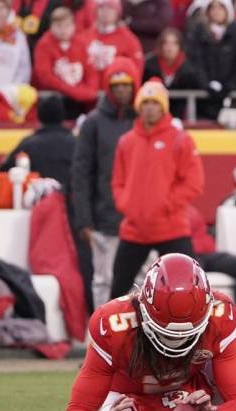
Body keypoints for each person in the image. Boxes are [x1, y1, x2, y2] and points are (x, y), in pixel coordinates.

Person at [64, 253, 236, 411]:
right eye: (166, 333)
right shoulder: (112, 325)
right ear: (143, 312)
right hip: (133, 401)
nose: (177, 341)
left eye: (188, 334)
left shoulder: (220, 314)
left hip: (193, 390)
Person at [109, 78, 204, 299]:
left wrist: (166, 205)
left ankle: (192, 332)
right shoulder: (126, 141)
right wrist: (126, 204)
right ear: (138, 106)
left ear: (163, 107)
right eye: (145, 103)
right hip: (134, 228)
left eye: (155, 103)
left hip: (171, 227)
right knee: (119, 292)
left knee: (188, 288)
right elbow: (117, 181)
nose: (149, 108)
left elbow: (193, 182)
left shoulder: (180, 139)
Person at [72, 57, 141, 309]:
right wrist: (84, 220)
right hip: (104, 219)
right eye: (116, 85)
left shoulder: (144, 120)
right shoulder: (93, 123)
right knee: (104, 282)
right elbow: (81, 174)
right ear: (108, 87)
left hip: (140, 220)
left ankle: (142, 341)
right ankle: (101, 340)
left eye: (126, 84)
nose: (122, 90)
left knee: (144, 283)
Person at [185, 0, 236, 120]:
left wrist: (229, 85)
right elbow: (195, 62)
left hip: (234, 98)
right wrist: (206, 84)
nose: (216, 12)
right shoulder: (199, 32)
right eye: (212, 8)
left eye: (220, 7)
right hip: (204, 100)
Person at [33, 7, 99, 118]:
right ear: (51, 27)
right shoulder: (43, 45)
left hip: (80, 101)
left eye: (67, 26)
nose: (63, 30)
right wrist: (74, 92)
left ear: (73, 26)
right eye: (58, 26)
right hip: (53, 100)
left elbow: (91, 71)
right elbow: (45, 77)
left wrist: (90, 91)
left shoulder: (81, 44)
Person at [187, 205, 236, 314]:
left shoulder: (190, 209)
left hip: (208, 254)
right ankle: (194, 317)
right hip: (187, 256)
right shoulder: (166, 211)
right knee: (194, 277)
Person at [0, 95, 75, 189]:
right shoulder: (77, 143)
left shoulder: (28, 144)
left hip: (37, 200)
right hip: (71, 199)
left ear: (40, 116)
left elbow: (3, 172)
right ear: (63, 115)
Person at [79, 0, 144, 87]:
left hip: (115, 91)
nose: (105, 13)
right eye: (102, 8)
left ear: (117, 13)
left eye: (110, 8)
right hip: (87, 91)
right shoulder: (84, 36)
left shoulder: (128, 39)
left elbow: (137, 69)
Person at [142, 27, 202, 118]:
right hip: (154, 116)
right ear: (160, 45)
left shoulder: (190, 68)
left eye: (174, 44)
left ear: (179, 46)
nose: (170, 48)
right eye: (166, 43)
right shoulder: (149, 65)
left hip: (181, 116)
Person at [0, 0, 31, 87]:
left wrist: (11, 91)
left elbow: (24, 68)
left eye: (1, 8)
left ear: (8, 11)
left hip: (8, 92)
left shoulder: (18, 36)